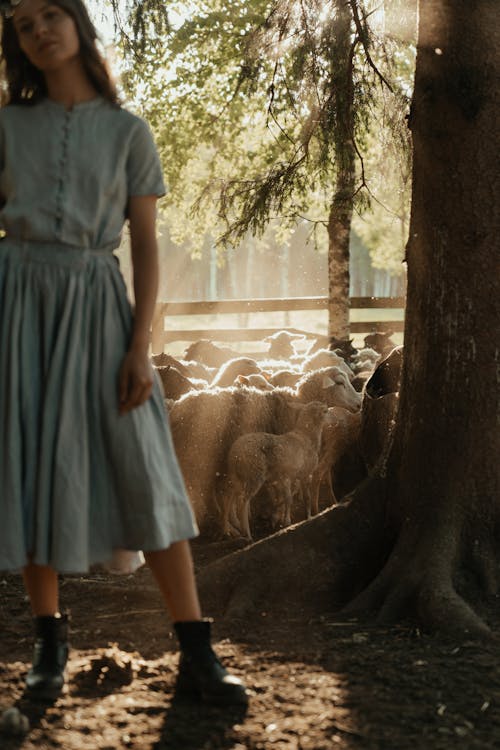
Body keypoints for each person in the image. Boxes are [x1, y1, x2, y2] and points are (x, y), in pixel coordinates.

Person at [0, 0, 248, 706]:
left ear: (79, 24)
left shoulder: (129, 132)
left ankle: (197, 653)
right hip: (17, 307)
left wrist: (141, 347)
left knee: (143, 464)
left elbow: (144, 248)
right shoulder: (7, 127)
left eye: (53, 14)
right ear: (17, 44)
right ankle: (48, 647)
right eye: (25, 25)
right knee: (31, 464)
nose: (41, 29)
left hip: (100, 307)